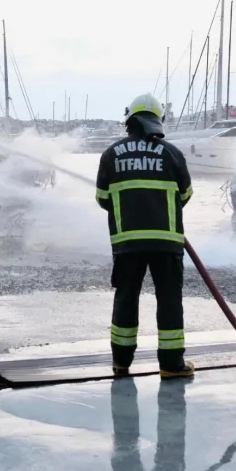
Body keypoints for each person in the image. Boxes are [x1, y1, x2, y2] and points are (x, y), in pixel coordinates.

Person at [95, 93, 194, 378]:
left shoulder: (112, 154)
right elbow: (186, 195)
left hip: (127, 244)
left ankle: (121, 362)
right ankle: (171, 364)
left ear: (130, 121)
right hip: (167, 242)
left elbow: (102, 198)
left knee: (127, 297)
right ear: (157, 121)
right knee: (169, 299)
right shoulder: (172, 153)